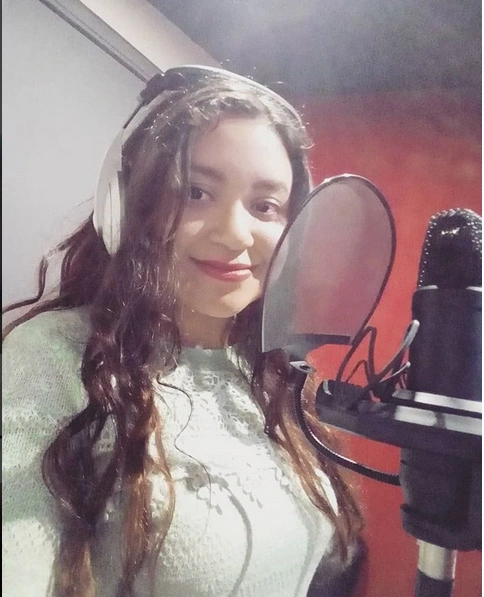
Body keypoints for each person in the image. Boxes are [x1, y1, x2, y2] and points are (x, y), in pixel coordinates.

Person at [2, 65, 364, 597]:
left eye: (265, 206)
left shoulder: (273, 370)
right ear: (126, 204)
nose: (235, 235)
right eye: (195, 192)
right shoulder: (51, 357)